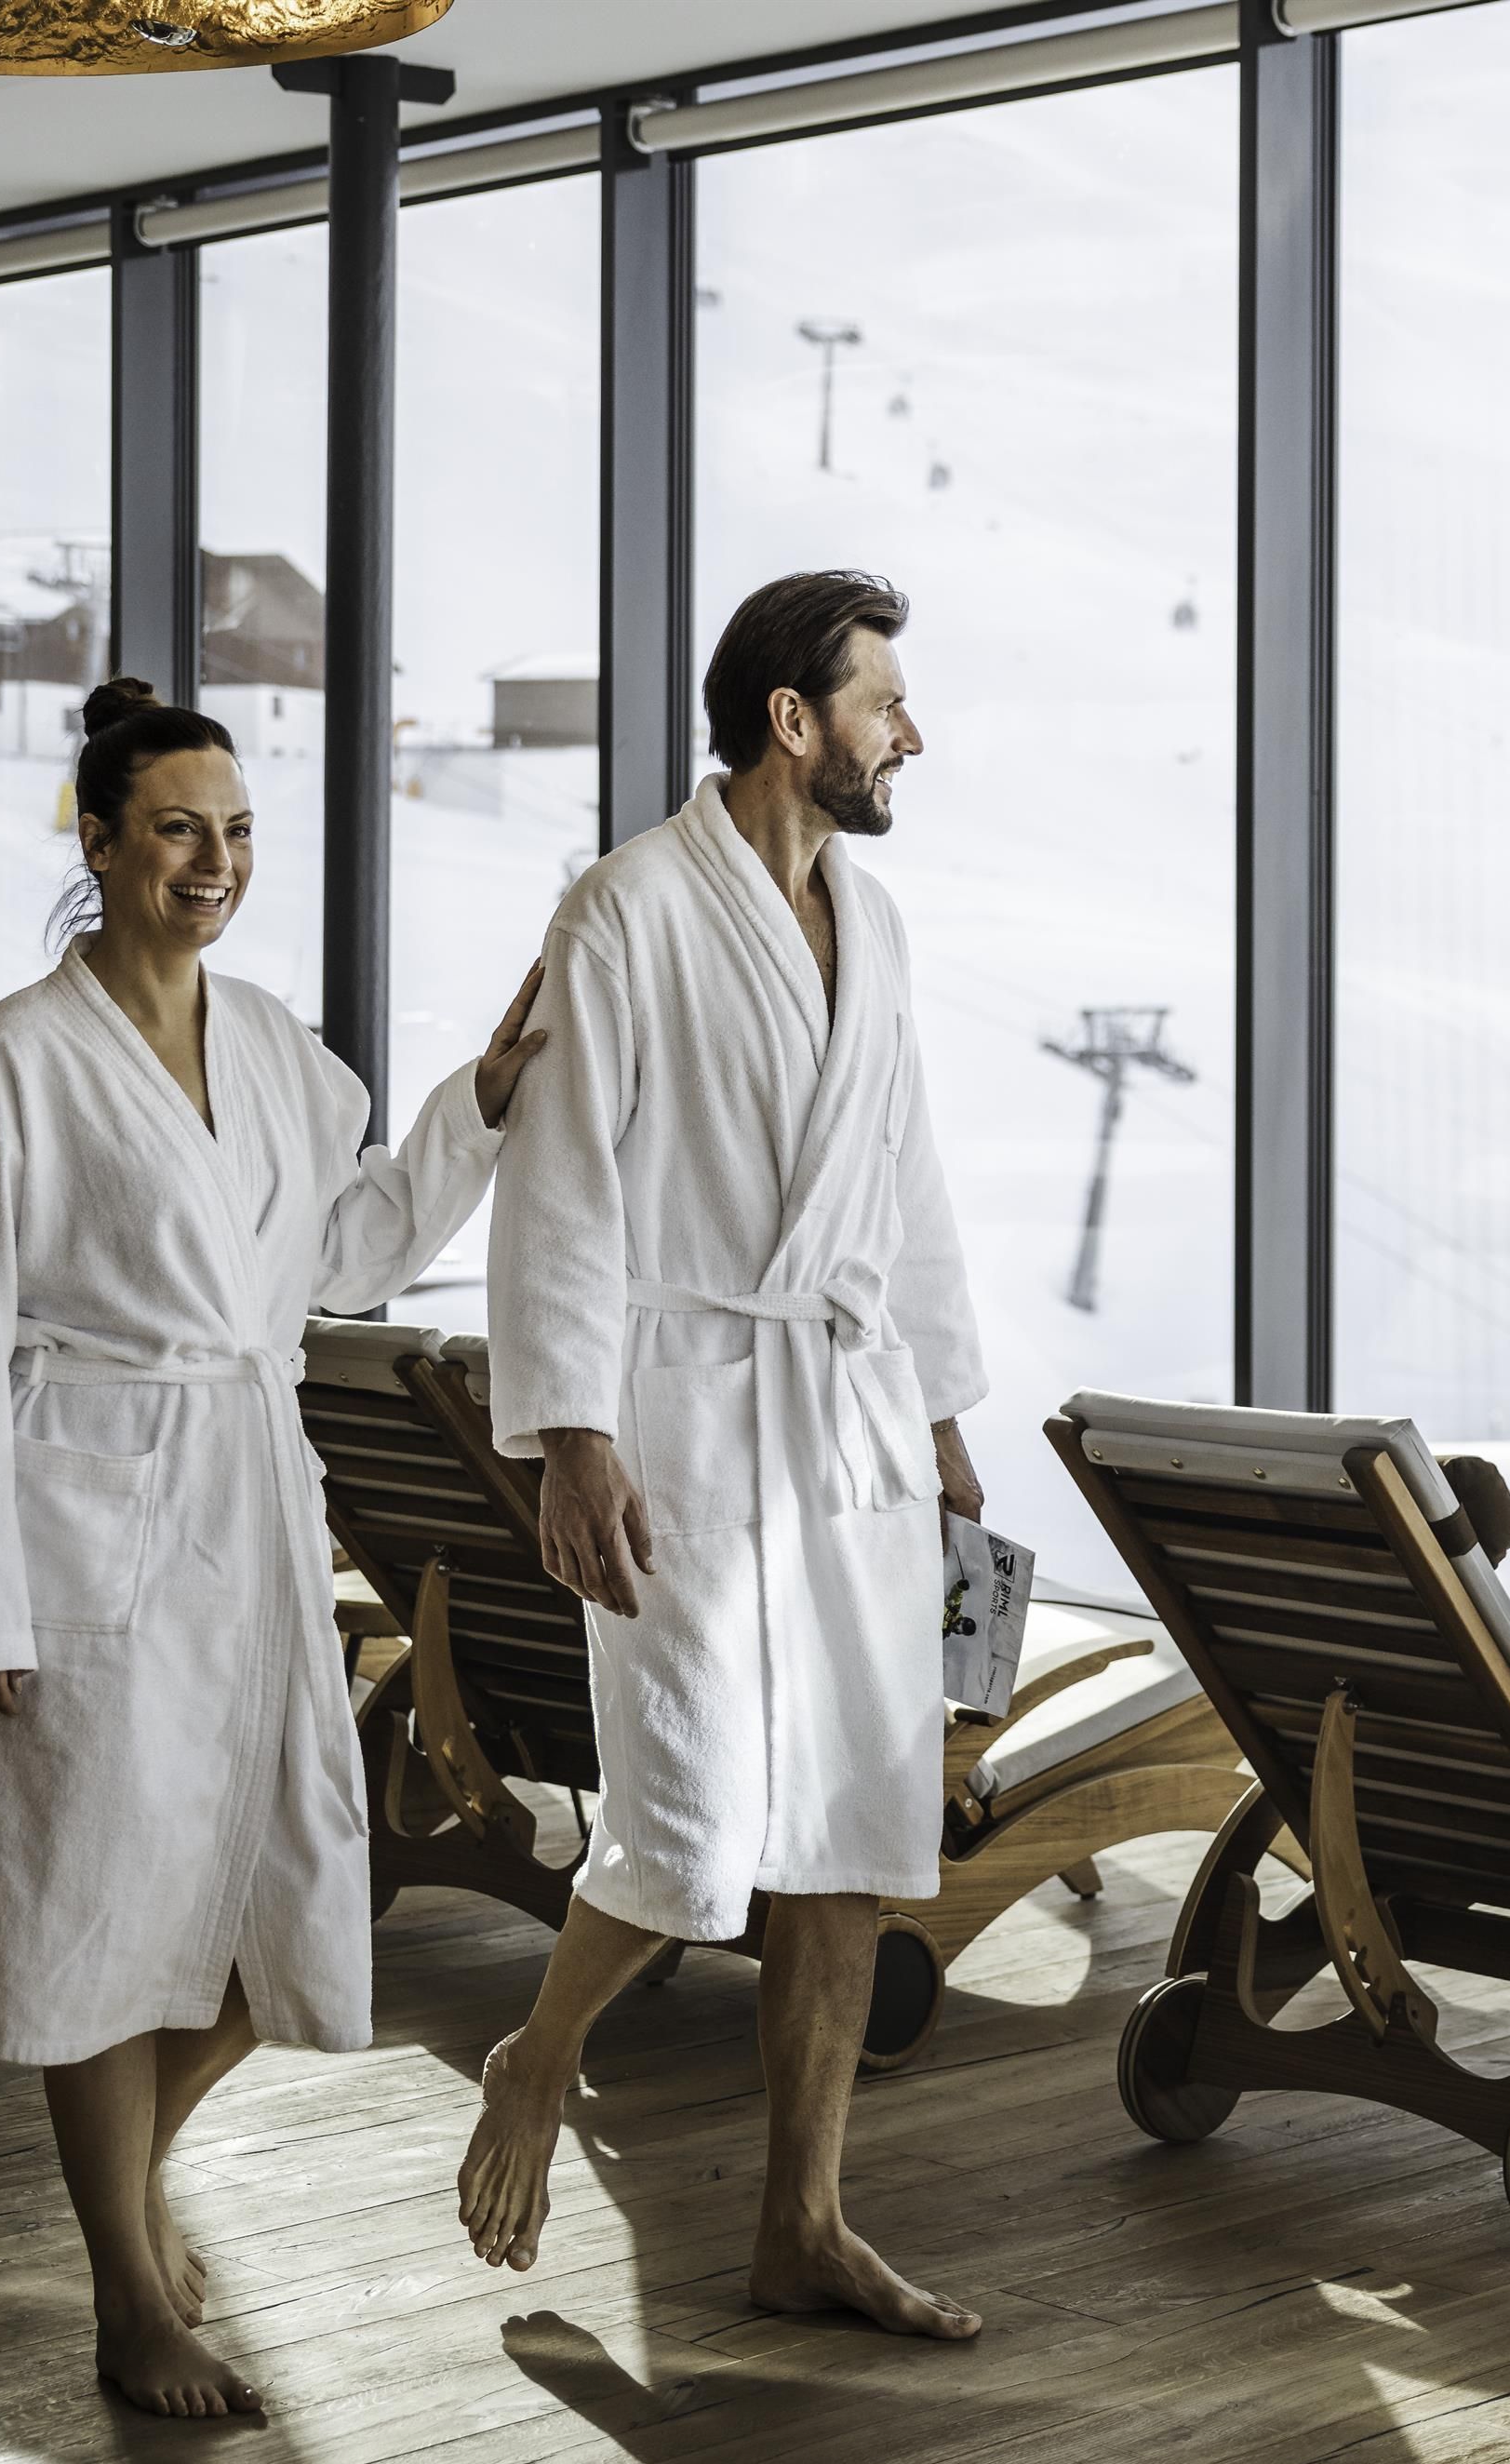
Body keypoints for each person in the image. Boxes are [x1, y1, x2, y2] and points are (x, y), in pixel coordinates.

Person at [0, 676, 544, 2420]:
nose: (213, 863)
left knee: (282, 1875)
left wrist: (476, 1103)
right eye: (176, 829)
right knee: (97, 1903)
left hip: (247, 1513)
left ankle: (127, 2181)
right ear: (94, 842)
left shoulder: (270, 1048)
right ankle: (125, 2293)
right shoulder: (10, 1064)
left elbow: (349, 1254)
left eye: (236, 832)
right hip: (83, 1521)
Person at [457, 571, 985, 2339]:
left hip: (842, 1420)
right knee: (686, 1827)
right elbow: (564, 1186)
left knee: (853, 1827)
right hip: (681, 1413)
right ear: (793, 718)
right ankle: (537, 2056)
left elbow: (901, 1182)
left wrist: (940, 1417)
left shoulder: (878, 919)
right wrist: (572, 1439)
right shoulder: (625, 909)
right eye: (884, 702)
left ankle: (803, 2223)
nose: (910, 731)